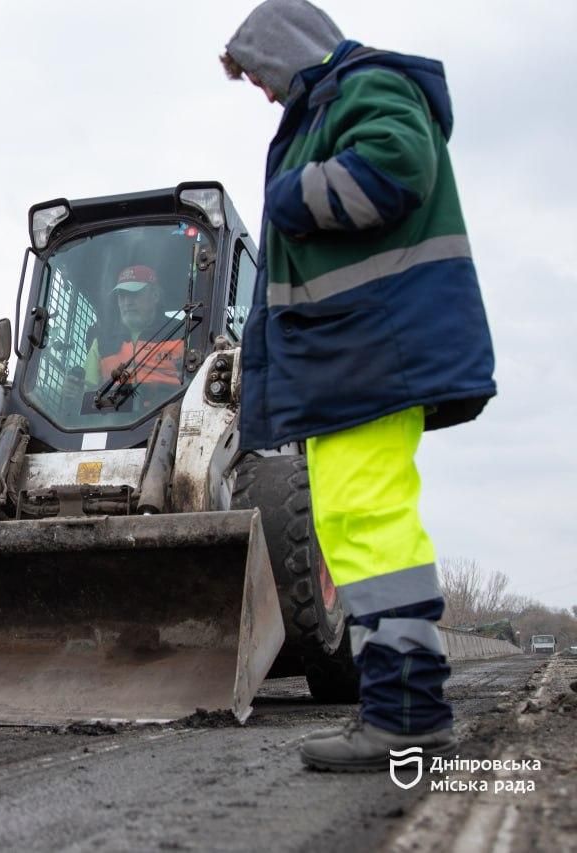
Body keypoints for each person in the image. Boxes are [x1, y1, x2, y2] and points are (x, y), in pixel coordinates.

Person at [220, 0, 495, 771]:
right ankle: (395, 709)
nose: (267, 97)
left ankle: (409, 715)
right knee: (348, 527)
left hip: (371, 356)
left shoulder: (365, 87)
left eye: (265, 79)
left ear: (288, 52)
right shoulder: (336, 98)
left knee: (371, 524)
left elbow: (395, 165)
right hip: (349, 364)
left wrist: (288, 197)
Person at [74, 264, 183, 408]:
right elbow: (88, 390)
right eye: (122, 296)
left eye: (134, 294)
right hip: (114, 420)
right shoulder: (102, 342)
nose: (127, 302)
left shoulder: (182, 333)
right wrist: (74, 392)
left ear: (155, 296)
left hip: (170, 418)